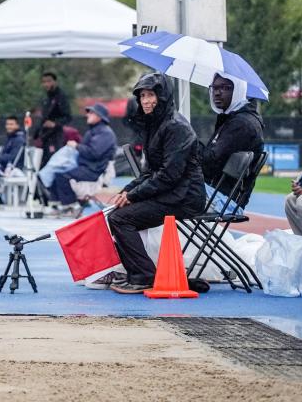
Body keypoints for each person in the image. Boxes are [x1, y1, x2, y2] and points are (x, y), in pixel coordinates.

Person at [106, 72, 206, 294]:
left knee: (121, 219)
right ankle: (140, 274)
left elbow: (169, 175)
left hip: (185, 197)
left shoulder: (176, 127)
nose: (146, 101)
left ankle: (143, 276)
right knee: (115, 214)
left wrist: (133, 196)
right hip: (173, 193)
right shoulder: (156, 124)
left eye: (151, 95)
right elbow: (149, 172)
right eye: (142, 96)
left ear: (163, 96)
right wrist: (127, 191)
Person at [200, 73, 264, 214]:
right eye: (214, 88)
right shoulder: (234, 119)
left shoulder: (241, 124)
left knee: (164, 192)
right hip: (218, 193)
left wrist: (188, 141)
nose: (217, 93)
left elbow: (209, 166)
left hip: (222, 199)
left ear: (239, 91)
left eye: (225, 87)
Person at [44, 103, 117, 217]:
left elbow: (94, 153)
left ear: (99, 116)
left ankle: (73, 207)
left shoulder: (105, 133)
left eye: (91, 113)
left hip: (94, 169)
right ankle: (57, 206)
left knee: (63, 176)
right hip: (87, 166)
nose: (87, 115)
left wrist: (76, 146)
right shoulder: (94, 131)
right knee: (55, 173)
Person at [32, 72, 71, 167]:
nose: (46, 84)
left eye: (49, 81)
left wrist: (55, 124)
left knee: (53, 162)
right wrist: (36, 134)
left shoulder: (61, 97)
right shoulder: (46, 98)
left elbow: (68, 117)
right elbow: (43, 118)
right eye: (44, 82)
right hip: (44, 137)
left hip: (55, 137)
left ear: (55, 82)